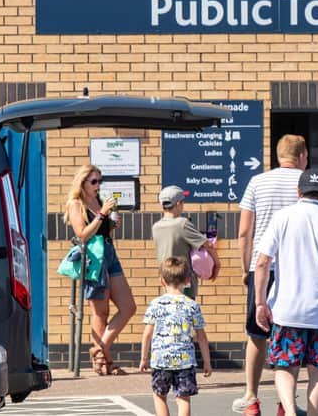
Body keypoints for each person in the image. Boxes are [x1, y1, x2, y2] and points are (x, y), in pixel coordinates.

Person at [255, 168, 318, 416]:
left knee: (285, 366)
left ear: (298, 191)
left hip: (286, 310)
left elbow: (261, 263)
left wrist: (260, 303)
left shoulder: (283, 218)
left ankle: (290, 412)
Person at [233, 134, 308, 416]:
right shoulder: (305, 183)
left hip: (260, 267)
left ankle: (251, 397)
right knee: (290, 335)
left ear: (278, 155)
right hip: (295, 269)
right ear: (303, 156)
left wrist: (246, 268)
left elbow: (244, 232)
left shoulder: (257, 182)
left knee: (256, 334)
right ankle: (284, 403)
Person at [64, 164, 136, 376]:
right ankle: (105, 361)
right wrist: (102, 214)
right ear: (83, 183)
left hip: (109, 253)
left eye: (99, 181)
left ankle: (98, 349)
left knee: (128, 306)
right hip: (93, 258)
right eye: (93, 182)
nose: (97, 186)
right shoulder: (76, 204)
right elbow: (82, 235)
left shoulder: (99, 201)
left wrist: (111, 223)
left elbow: (102, 228)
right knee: (100, 312)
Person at [139, 257, 212, 416]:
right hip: (185, 361)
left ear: (162, 281)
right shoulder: (192, 305)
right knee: (183, 398)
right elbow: (201, 336)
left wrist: (144, 358)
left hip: (160, 360)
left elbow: (147, 335)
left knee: (159, 396)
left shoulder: (155, 304)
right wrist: (207, 361)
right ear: (187, 280)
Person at [152, 185, 220, 300]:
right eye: (183, 202)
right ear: (178, 204)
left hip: (166, 279)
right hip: (184, 279)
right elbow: (208, 245)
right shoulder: (182, 224)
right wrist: (217, 265)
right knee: (187, 312)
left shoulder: (156, 227)